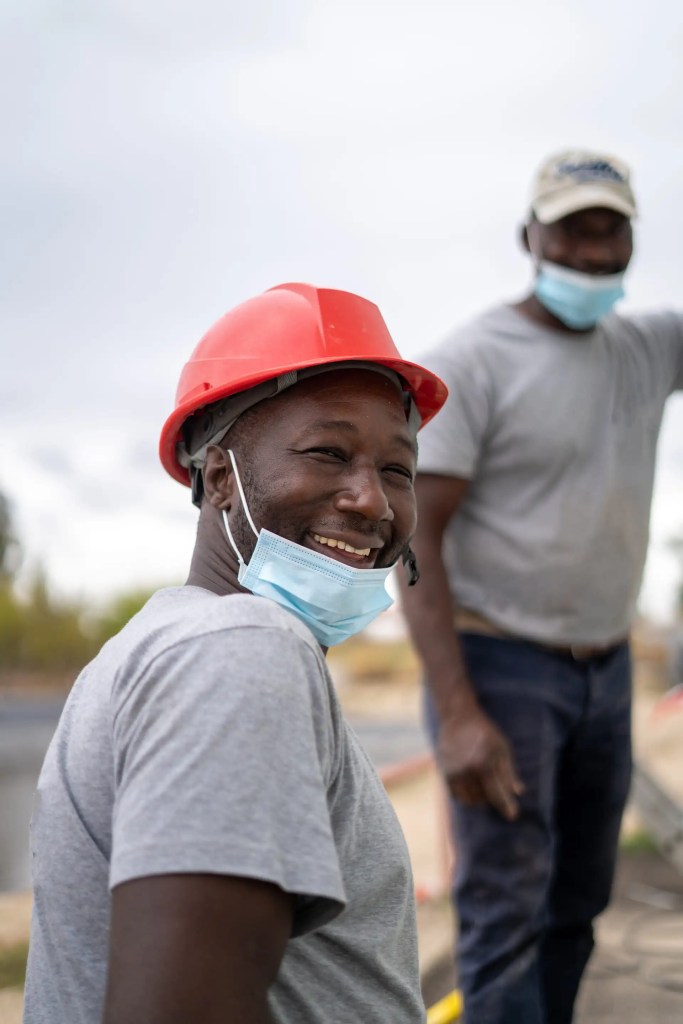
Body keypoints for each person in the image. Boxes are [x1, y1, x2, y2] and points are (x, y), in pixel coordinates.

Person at [23, 282, 448, 1024]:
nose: (372, 502)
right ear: (219, 478)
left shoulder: (163, 646)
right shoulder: (241, 651)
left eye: (395, 469)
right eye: (329, 453)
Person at [399, 149, 683, 1024]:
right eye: (572, 230)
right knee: (504, 915)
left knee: (576, 906)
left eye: (611, 230)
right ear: (529, 235)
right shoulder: (474, 362)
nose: (593, 252)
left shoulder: (646, 343)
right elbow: (415, 535)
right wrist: (457, 712)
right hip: (498, 667)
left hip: (602, 670)